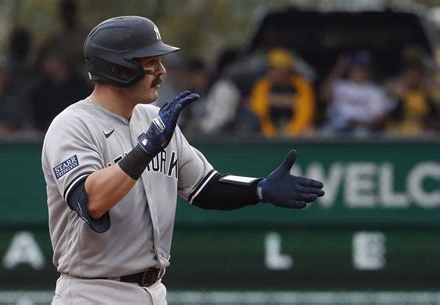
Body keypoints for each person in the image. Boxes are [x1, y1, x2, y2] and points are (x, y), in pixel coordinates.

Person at [42, 16, 325, 305]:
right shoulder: (73, 125)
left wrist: (259, 189)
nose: (161, 71)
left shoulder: (154, 120)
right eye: (149, 62)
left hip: (153, 291)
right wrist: (147, 148)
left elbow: (204, 186)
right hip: (92, 293)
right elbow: (90, 201)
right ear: (117, 68)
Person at [320, 51, 394, 135]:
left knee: (361, 133)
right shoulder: (339, 85)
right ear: (349, 69)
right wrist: (338, 69)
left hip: (363, 130)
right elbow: (323, 96)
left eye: (362, 68)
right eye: (356, 68)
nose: (359, 71)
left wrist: (360, 122)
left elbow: (379, 118)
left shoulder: (375, 90)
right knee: (324, 132)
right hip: (336, 128)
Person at [249, 48, 316, 137]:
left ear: (285, 70)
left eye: (274, 68)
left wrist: (291, 132)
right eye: (270, 68)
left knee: (310, 131)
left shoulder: (301, 84)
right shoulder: (263, 85)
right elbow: (258, 112)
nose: (270, 71)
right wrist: (270, 133)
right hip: (268, 131)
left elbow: (306, 113)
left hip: (295, 131)